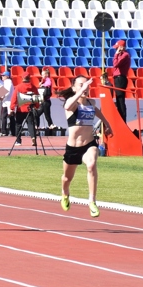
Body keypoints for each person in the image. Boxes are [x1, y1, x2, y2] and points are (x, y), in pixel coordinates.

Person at [57, 76, 113, 218]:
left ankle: (92, 201)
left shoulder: (91, 102)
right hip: (73, 147)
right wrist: (81, 89)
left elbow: (97, 111)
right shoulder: (71, 104)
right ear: (74, 87)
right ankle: (65, 193)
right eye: (81, 85)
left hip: (89, 144)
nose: (85, 88)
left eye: (86, 85)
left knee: (92, 164)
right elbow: (68, 106)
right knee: (66, 178)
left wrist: (106, 123)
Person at [10, 75, 39, 146]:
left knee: (18, 125)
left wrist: (12, 108)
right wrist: (36, 106)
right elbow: (36, 97)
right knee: (31, 124)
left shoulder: (19, 87)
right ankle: (33, 137)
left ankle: (18, 141)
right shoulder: (33, 87)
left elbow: (14, 98)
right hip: (30, 108)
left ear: (23, 78)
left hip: (21, 108)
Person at [111, 40, 131, 122]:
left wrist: (116, 54)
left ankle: (123, 119)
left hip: (120, 78)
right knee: (119, 99)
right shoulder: (121, 55)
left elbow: (115, 64)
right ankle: (121, 118)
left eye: (117, 48)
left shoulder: (125, 55)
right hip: (118, 78)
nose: (116, 50)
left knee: (120, 100)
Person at [1, 70, 15, 136]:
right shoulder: (6, 82)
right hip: (6, 101)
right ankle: (8, 131)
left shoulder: (8, 82)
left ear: (7, 76)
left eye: (3, 76)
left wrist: (2, 97)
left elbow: (7, 91)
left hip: (8, 101)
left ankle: (7, 131)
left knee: (8, 116)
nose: (2, 77)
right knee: (7, 116)